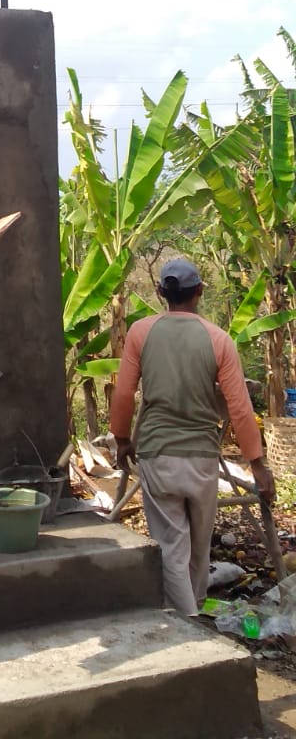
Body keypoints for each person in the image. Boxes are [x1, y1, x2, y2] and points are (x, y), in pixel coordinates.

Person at [109, 257, 275, 615]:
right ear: (199, 292)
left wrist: (122, 439)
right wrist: (258, 465)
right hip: (200, 458)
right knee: (199, 547)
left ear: (160, 293)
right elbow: (240, 408)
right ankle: (194, 611)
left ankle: (189, 620)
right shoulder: (219, 339)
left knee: (171, 546)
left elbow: (123, 393)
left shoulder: (141, 332)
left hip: (157, 453)